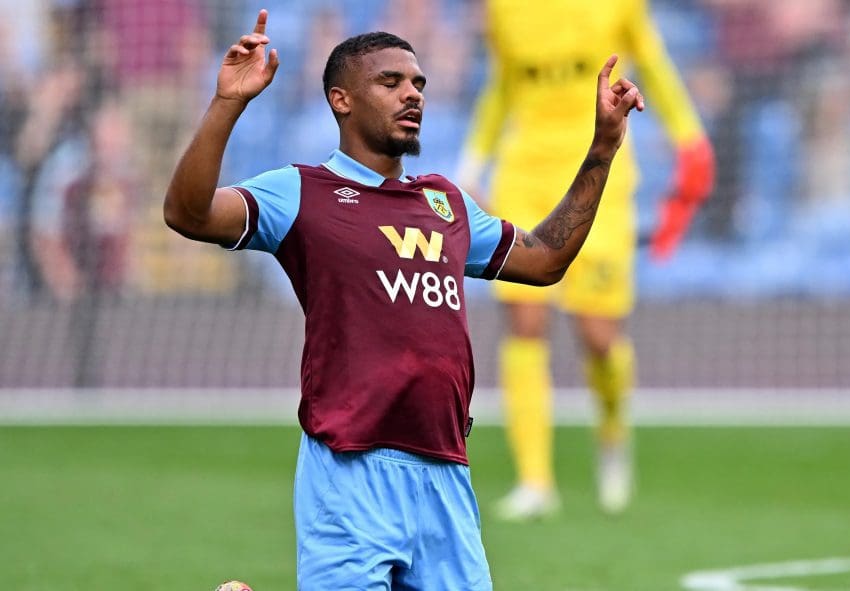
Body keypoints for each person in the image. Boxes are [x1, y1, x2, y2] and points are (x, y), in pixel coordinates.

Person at [163, 10, 643, 590]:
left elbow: (544, 259)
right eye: (390, 83)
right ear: (341, 100)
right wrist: (227, 103)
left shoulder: (446, 203)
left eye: (417, 83)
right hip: (350, 469)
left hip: (446, 473)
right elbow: (188, 214)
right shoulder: (302, 192)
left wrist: (603, 146)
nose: (411, 94)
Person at [455, 0, 714, 519]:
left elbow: (655, 65)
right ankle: (535, 481)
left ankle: (613, 434)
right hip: (524, 174)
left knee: (599, 336)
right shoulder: (503, 10)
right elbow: (505, 84)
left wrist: (690, 140)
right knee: (524, 321)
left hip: (599, 168)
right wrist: (474, 160)